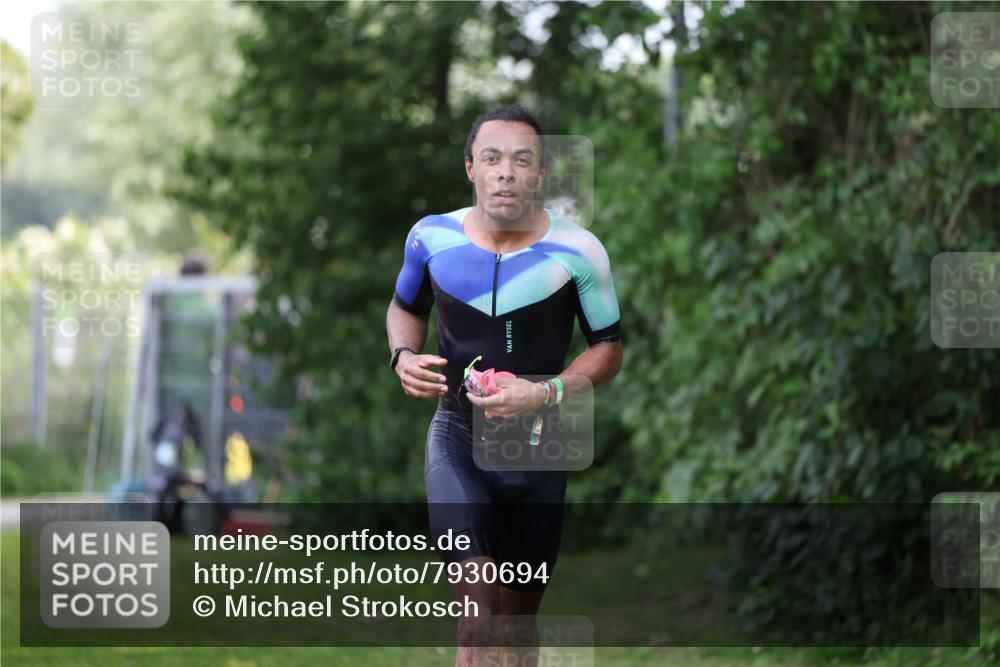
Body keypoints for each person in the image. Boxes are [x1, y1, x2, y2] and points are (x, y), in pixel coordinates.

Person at [386, 105, 623, 666]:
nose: (506, 172)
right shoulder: (430, 238)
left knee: (515, 627)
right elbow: (403, 307)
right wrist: (401, 356)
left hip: (537, 447)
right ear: (470, 167)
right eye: (491, 158)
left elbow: (608, 348)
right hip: (457, 437)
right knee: (477, 616)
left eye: (523, 161)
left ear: (540, 174)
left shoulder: (579, 252)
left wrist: (546, 393)